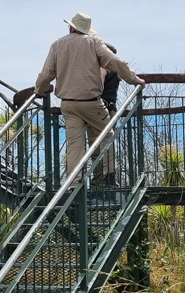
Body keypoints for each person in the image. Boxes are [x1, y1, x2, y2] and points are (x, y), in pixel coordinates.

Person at [34, 13, 145, 186]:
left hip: (68, 104)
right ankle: (108, 178)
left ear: (71, 27)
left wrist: (39, 91)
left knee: (74, 146)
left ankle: (73, 186)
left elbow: (46, 73)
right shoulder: (94, 42)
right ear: (86, 30)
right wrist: (134, 79)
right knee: (107, 135)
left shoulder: (57, 44)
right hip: (91, 102)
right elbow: (115, 62)